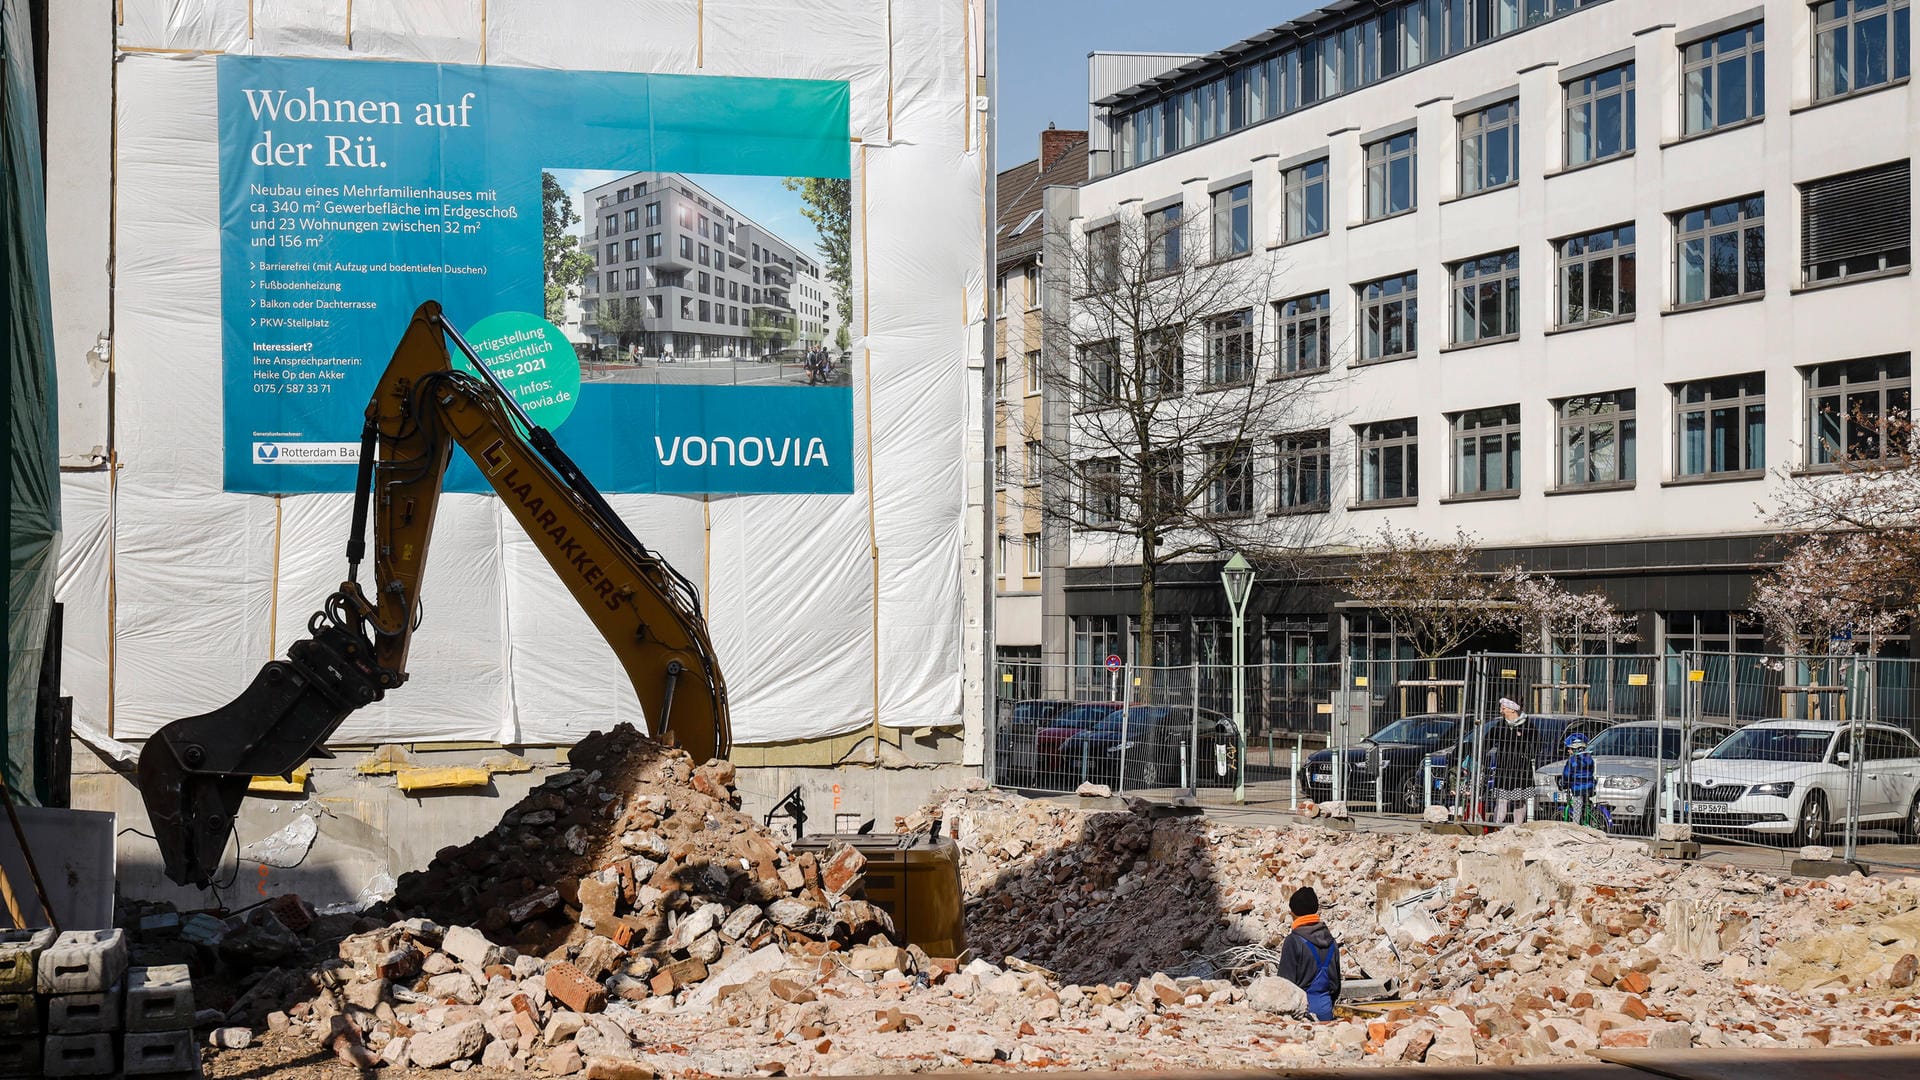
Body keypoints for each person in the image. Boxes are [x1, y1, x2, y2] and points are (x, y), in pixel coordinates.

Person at [1279, 887, 1341, 1021]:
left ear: (1294, 913)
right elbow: (1336, 985)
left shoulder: (1293, 941)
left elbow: (1285, 984)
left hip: (1301, 1015)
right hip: (1326, 1014)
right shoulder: (1331, 942)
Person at [1485, 697, 1545, 825]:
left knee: (1520, 800)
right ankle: (1497, 825)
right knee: (1501, 799)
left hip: (1521, 769)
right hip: (1504, 768)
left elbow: (1537, 744)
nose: (1501, 711)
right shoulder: (1500, 725)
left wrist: (1527, 755)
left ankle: (1518, 826)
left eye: (1503, 708)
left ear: (1512, 709)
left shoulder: (1527, 725)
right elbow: (1487, 741)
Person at [1559, 731, 1600, 828]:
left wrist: (1563, 784)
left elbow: (1567, 774)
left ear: (1575, 748)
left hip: (1577, 788)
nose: (1568, 751)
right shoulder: (1589, 758)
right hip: (1590, 786)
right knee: (1585, 803)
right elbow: (1591, 771)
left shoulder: (1572, 760)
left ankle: (1576, 826)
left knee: (1577, 806)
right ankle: (1587, 818)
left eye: (1569, 748)